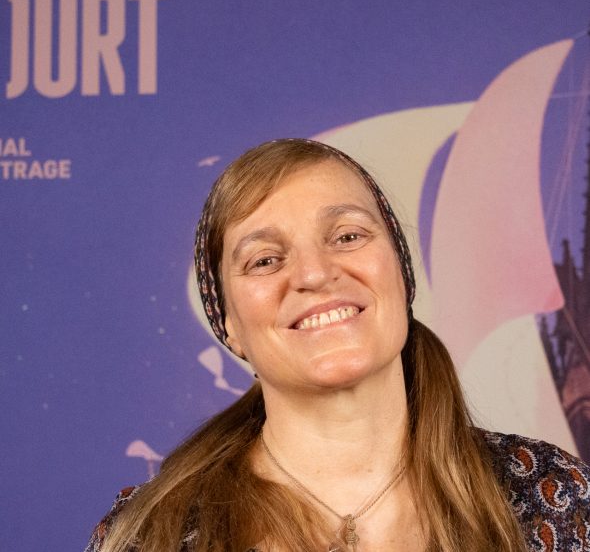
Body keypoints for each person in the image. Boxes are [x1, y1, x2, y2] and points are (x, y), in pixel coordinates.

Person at [86, 138, 590, 552]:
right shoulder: (151, 534)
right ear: (229, 324)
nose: (314, 273)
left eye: (347, 236)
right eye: (265, 260)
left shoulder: (548, 495)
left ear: (400, 273)